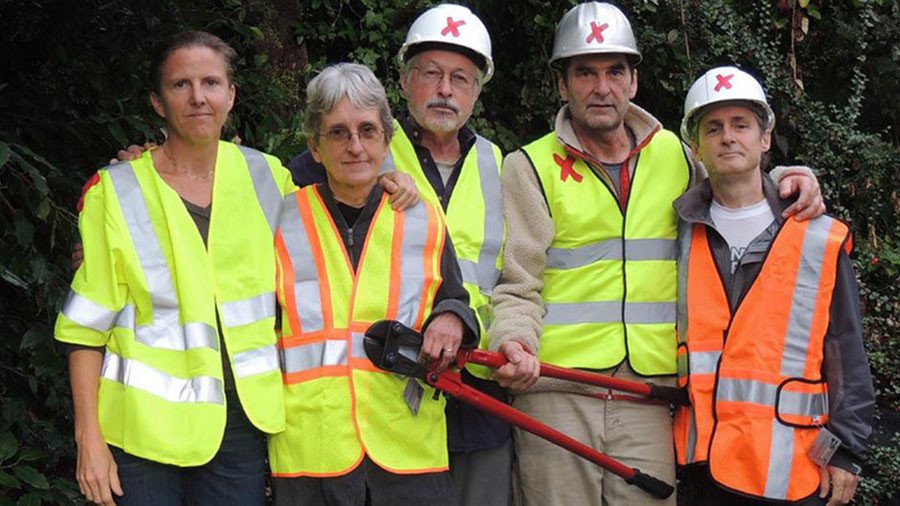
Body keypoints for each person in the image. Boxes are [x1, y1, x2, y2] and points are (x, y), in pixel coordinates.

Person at [489, 3, 825, 505]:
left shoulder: (674, 153)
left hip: (651, 396)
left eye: (614, 71)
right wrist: (514, 342)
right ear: (562, 84)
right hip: (556, 391)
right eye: (585, 72)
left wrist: (788, 181)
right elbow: (518, 282)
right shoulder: (528, 166)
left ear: (634, 81)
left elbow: (738, 187)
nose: (602, 87)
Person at [55, 31, 294, 505]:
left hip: (238, 426)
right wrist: (90, 440)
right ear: (158, 102)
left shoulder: (271, 177)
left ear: (231, 94)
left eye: (211, 82)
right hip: (140, 433)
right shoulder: (115, 190)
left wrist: (396, 181)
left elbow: (344, 197)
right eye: (181, 85)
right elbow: (85, 330)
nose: (198, 96)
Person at [287, 5, 510, 505]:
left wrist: (458, 315)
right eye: (431, 74)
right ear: (405, 81)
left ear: (478, 90)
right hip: (386, 392)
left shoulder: (500, 164)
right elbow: (256, 203)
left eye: (461, 78)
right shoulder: (359, 144)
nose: (445, 90)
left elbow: (517, 276)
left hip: (476, 381)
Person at [673, 66, 874, 506]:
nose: (728, 137)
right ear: (697, 147)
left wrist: (845, 452)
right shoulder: (680, 231)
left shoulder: (818, 235)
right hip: (701, 469)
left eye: (741, 124)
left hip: (793, 471)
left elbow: (846, 350)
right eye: (714, 127)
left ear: (765, 139)